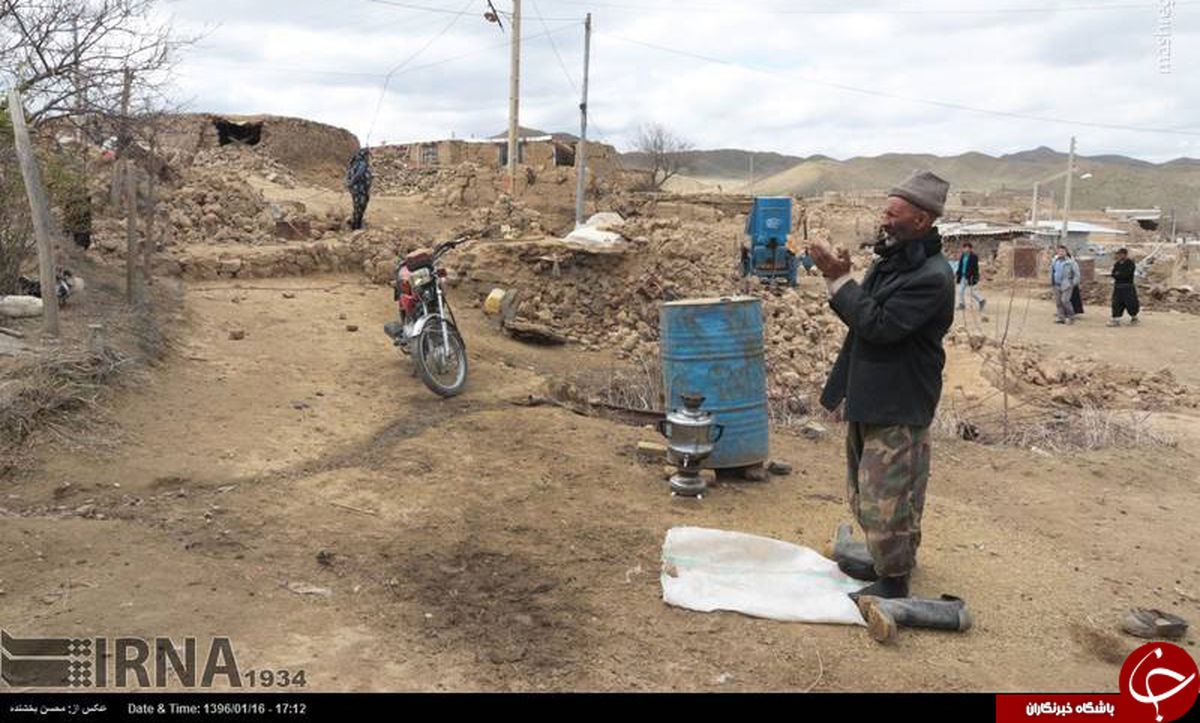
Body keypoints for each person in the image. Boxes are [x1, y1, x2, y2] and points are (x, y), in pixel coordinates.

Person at [808, 170, 955, 600]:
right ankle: (882, 558)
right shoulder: (894, 261)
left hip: (901, 397)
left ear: (922, 221)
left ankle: (894, 579)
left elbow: (879, 324)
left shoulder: (932, 275)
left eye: (894, 214)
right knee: (866, 489)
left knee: (891, 492)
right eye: (885, 211)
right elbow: (864, 315)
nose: (884, 220)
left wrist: (838, 280)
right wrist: (844, 280)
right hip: (872, 392)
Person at [1109, 248, 1140, 326]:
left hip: (1128, 287)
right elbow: (1113, 274)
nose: (1119, 256)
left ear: (1125, 254)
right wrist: (1118, 274)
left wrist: (1118, 274)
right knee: (1116, 303)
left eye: (1120, 254)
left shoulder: (1130, 264)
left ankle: (1134, 317)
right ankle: (1116, 319)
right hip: (1118, 287)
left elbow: (1126, 274)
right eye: (1118, 254)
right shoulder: (1117, 264)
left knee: (1131, 303)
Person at [1051, 245, 1081, 324]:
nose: (1061, 253)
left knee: (1065, 301)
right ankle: (1061, 317)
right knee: (1058, 302)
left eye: (1062, 251)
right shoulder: (1055, 261)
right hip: (1057, 284)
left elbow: (1077, 274)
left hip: (1067, 285)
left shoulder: (1071, 262)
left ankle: (1071, 317)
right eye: (1059, 251)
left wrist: (1072, 283)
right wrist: (1052, 281)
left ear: (1066, 252)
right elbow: (1052, 272)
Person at [345, 148, 373, 231]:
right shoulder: (362, 164)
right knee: (360, 207)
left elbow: (348, 176)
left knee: (357, 206)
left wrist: (349, 183)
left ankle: (355, 224)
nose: (368, 157)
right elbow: (359, 174)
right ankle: (356, 226)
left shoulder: (354, 164)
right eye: (367, 155)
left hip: (356, 190)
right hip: (361, 190)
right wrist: (352, 182)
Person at [955, 241, 985, 311]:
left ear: (970, 249)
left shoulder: (973, 257)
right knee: (960, 291)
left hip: (970, 277)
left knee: (973, 292)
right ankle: (961, 304)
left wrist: (974, 277)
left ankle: (981, 300)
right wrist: (957, 273)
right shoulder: (962, 256)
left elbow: (975, 268)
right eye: (964, 248)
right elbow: (960, 266)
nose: (966, 249)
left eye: (967, 248)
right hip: (963, 276)